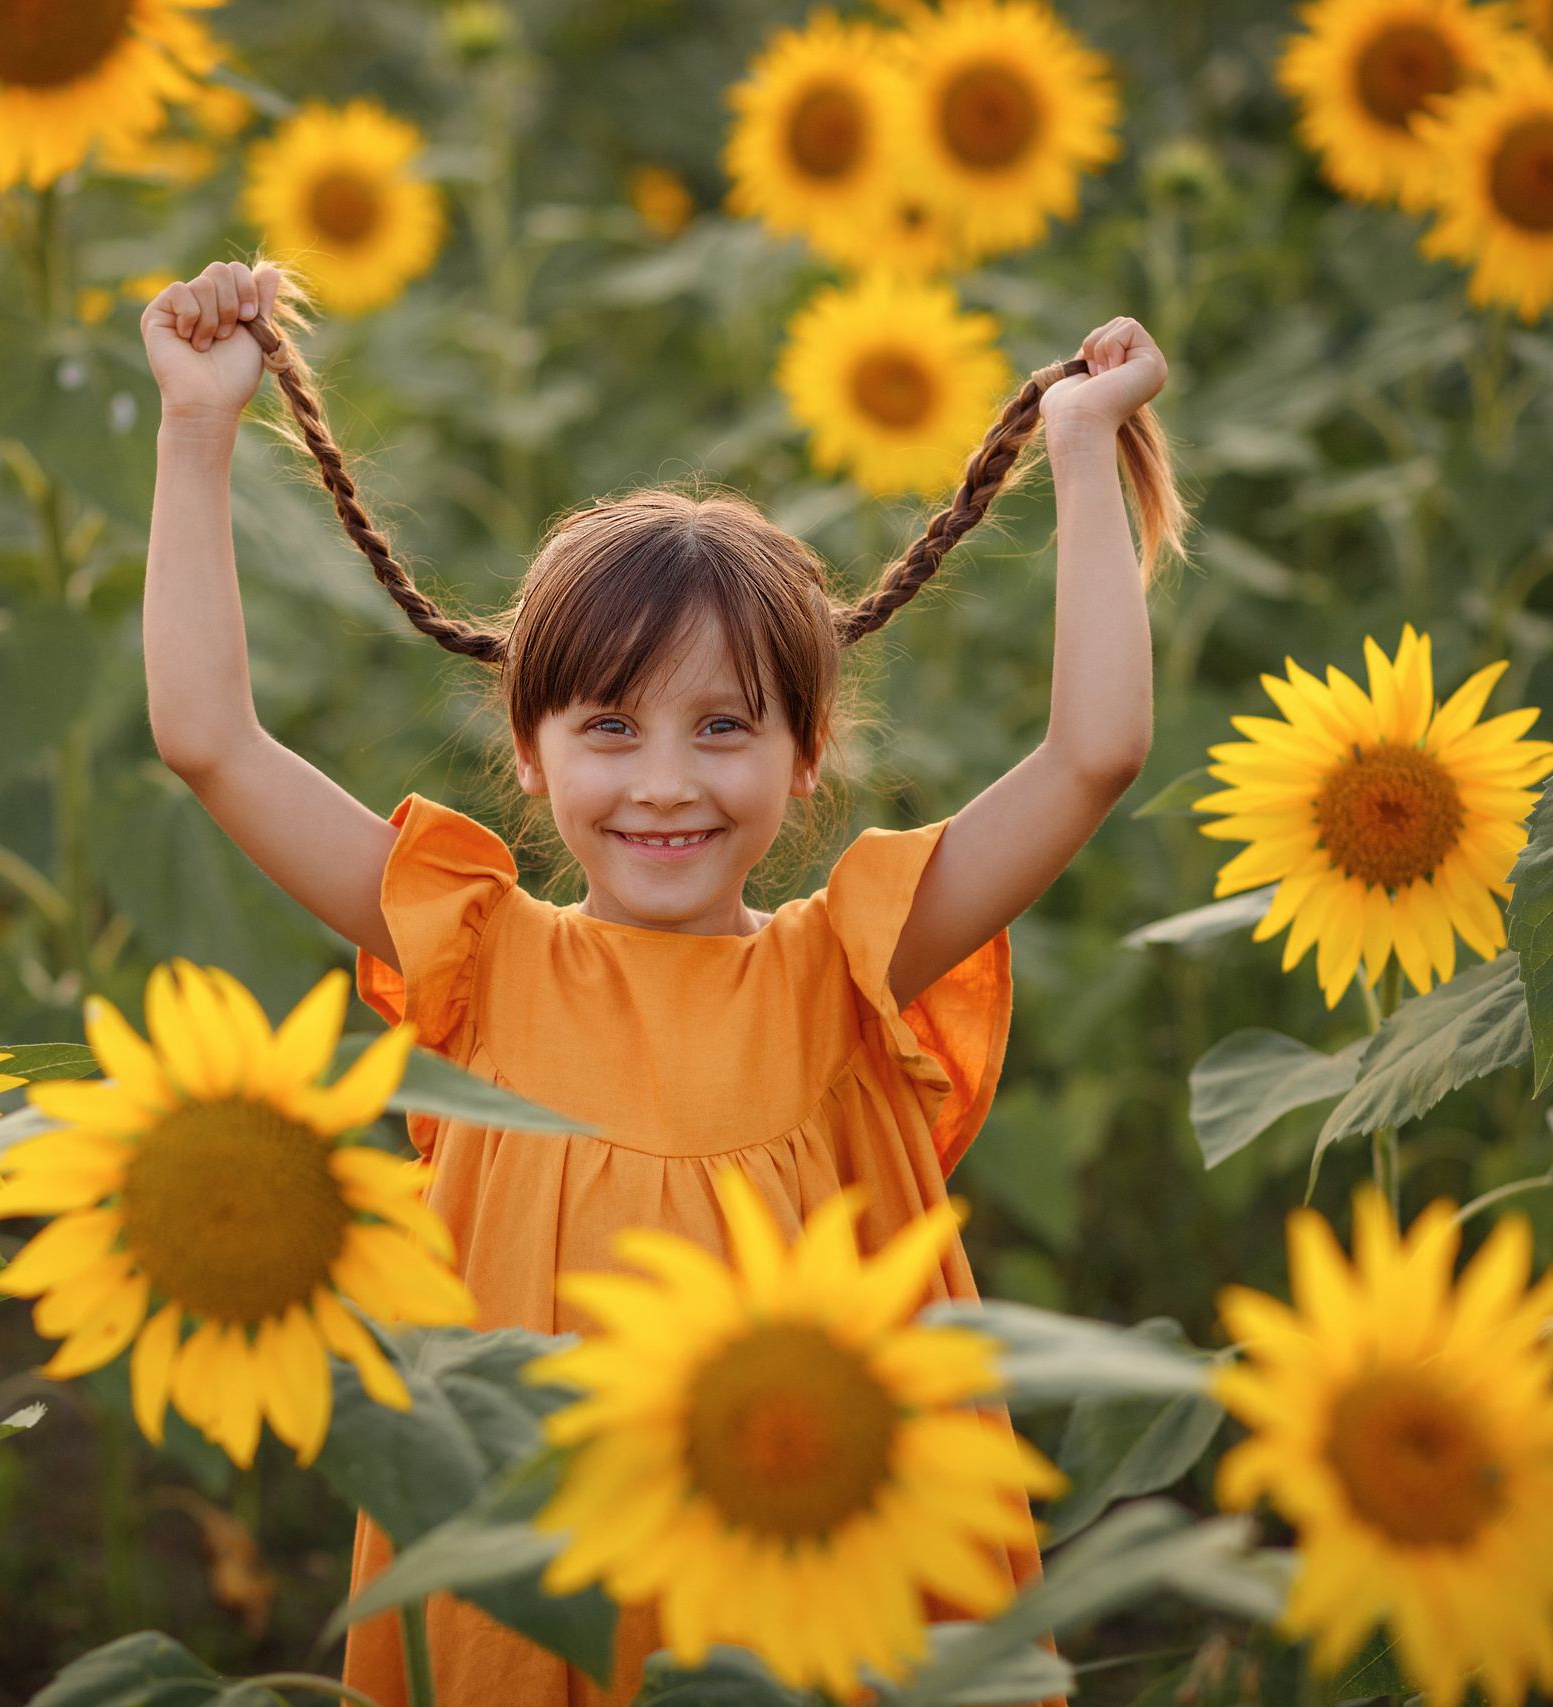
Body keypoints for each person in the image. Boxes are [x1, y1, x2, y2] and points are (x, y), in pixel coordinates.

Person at [138, 257, 1176, 1707]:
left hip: (804, 1554)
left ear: (806, 758)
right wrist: (196, 431)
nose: (667, 785)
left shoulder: (844, 968)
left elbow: (1091, 756)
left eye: (727, 727)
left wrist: (1080, 455)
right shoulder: (473, 959)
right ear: (530, 751)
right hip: (539, 1581)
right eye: (611, 727)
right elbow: (210, 741)